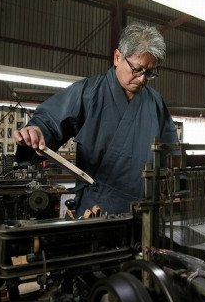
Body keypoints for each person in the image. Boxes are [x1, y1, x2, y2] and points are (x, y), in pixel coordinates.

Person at [12, 23, 179, 217]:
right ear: (117, 57)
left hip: (144, 212)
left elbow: (170, 151)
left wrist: (177, 188)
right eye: (137, 69)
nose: (142, 79)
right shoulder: (89, 93)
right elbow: (50, 121)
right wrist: (37, 132)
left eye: (149, 73)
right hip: (95, 211)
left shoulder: (155, 102)